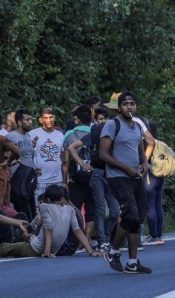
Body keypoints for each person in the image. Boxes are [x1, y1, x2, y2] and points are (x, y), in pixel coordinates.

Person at [100, 91, 153, 274]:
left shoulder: (137, 126)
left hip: (135, 177)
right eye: (125, 104)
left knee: (137, 219)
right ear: (119, 107)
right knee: (130, 214)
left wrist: (144, 162)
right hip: (118, 177)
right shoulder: (112, 124)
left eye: (132, 104)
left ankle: (132, 262)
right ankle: (113, 252)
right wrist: (125, 168)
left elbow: (140, 150)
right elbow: (103, 154)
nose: (129, 107)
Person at [0, 185, 100, 258]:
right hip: (54, 249)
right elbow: (78, 231)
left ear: (48, 199)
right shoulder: (70, 209)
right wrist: (90, 251)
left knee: (5, 247)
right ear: (61, 198)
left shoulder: (44, 207)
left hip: (35, 248)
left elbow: (48, 229)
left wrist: (46, 252)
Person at [68, 107, 118, 254]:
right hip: (97, 174)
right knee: (101, 209)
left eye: (105, 119)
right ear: (95, 121)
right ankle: (103, 242)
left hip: (113, 173)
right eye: (100, 119)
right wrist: (82, 163)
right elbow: (71, 147)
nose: (103, 121)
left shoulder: (115, 133)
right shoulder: (95, 133)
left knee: (115, 211)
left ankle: (106, 239)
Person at [61, 104, 96, 246]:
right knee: (92, 211)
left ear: (77, 120)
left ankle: (73, 240)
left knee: (74, 209)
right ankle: (86, 240)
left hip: (76, 179)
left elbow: (65, 161)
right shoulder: (96, 132)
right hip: (94, 176)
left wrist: (64, 181)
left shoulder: (69, 135)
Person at [29, 106, 65, 204]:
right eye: (46, 118)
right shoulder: (33, 134)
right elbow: (27, 155)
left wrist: (64, 180)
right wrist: (32, 169)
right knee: (39, 209)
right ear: (40, 119)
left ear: (54, 118)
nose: (49, 120)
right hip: (40, 180)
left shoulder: (60, 135)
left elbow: (62, 157)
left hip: (57, 179)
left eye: (51, 117)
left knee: (57, 209)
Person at [6, 109, 38, 218]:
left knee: (31, 210)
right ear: (19, 122)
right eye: (27, 120)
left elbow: (29, 156)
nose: (30, 122)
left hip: (28, 178)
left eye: (31, 119)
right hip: (17, 179)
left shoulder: (28, 136)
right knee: (21, 211)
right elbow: (7, 157)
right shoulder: (11, 137)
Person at [0, 112, 20, 210]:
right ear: (0, 125)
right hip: (1, 174)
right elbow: (16, 151)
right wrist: (8, 162)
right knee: (2, 206)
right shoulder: (1, 138)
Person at [142, 119, 166, 245]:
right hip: (160, 175)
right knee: (158, 204)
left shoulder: (145, 142)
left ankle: (153, 235)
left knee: (149, 205)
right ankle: (159, 234)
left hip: (149, 176)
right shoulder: (159, 142)